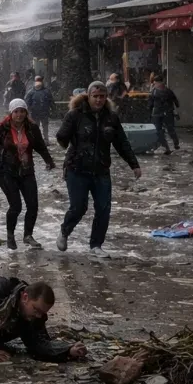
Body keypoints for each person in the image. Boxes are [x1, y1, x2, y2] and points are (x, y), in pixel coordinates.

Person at [55, 81, 142, 258]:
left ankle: (96, 245)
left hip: (101, 169)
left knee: (103, 208)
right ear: (88, 96)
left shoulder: (111, 117)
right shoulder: (75, 115)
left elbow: (121, 143)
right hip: (77, 169)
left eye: (102, 96)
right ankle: (65, 231)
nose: (99, 100)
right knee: (79, 207)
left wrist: (134, 164)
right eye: (95, 96)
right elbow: (62, 137)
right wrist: (64, 139)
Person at [0, 99, 56, 250]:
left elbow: (40, 146)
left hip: (26, 170)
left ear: (26, 112)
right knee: (16, 206)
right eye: (16, 111)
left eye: (22, 111)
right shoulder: (2, 128)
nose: (19, 115)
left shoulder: (32, 128)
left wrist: (49, 161)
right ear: (11, 113)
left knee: (33, 205)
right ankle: (10, 235)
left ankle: (28, 235)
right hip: (6, 171)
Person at [149, 74, 180, 155]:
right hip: (164, 113)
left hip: (160, 113)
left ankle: (172, 145)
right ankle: (170, 146)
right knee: (166, 130)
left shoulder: (155, 91)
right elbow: (176, 102)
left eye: (155, 83)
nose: (155, 85)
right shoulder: (166, 91)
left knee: (162, 130)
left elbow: (150, 104)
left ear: (158, 82)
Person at [23, 75, 55, 139]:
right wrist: (28, 111)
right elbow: (27, 102)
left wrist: (53, 109)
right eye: (37, 80)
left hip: (44, 112)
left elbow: (51, 101)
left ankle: (46, 139)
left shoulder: (46, 91)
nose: (38, 82)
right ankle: (36, 139)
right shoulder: (31, 92)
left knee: (45, 127)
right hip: (35, 113)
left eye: (39, 80)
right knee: (35, 127)